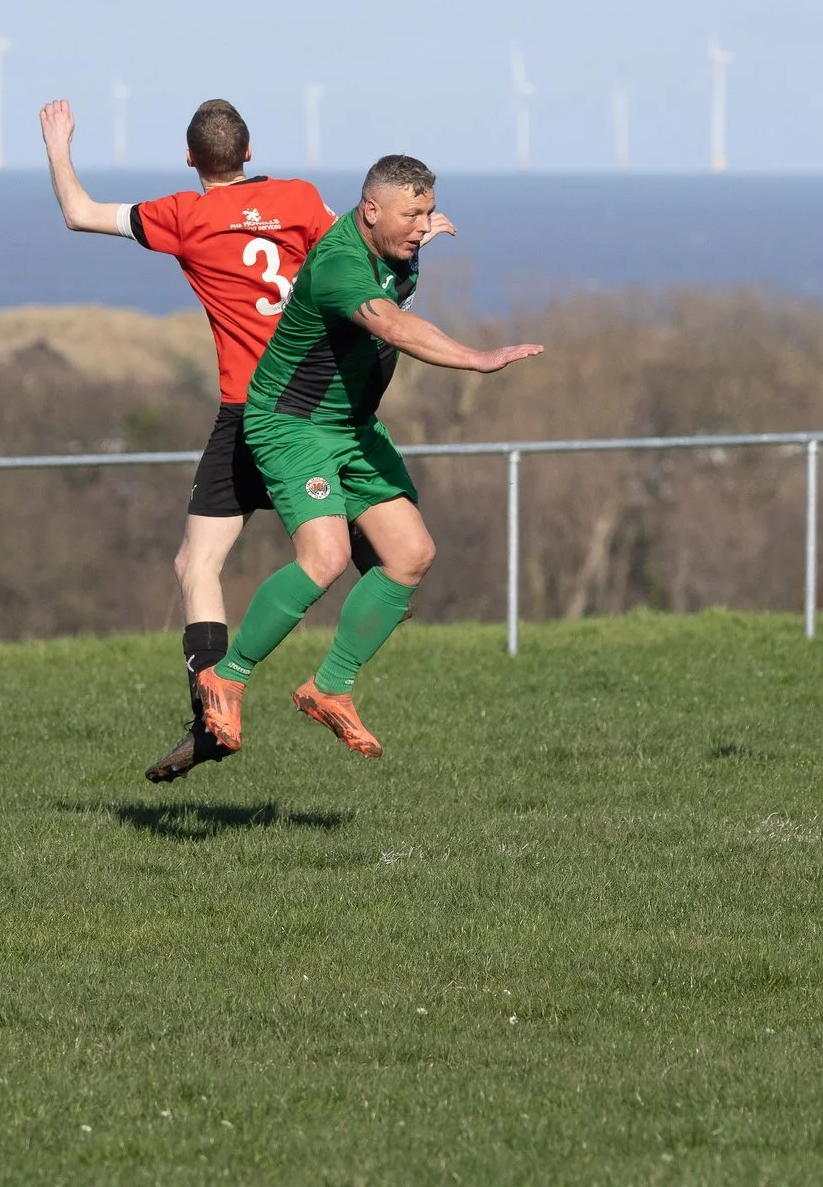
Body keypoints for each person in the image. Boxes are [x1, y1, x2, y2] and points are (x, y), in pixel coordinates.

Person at [37, 96, 450, 781]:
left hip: (252, 415)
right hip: (323, 403)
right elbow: (351, 255)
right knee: (385, 557)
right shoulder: (299, 198)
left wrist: (58, 145)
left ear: (192, 159)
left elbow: (79, 213)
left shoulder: (181, 214)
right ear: (251, 153)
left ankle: (214, 710)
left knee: (198, 566)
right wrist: (411, 245)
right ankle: (338, 665)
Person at [201, 153, 542, 761]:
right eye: (412, 213)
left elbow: (399, 275)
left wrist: (419, 237)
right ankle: (225, 677)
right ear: (370, 210)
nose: (423, 224)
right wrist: (476, 358)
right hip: (292, 424)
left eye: (429, 211)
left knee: (412, 554)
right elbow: (396, 328)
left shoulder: (398, 251)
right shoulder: (338, 263)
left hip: (352, 426)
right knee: (327, 556)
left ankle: (328, 688)